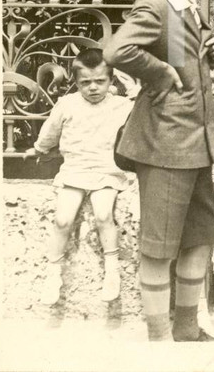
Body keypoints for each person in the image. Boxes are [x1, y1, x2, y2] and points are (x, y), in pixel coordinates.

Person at [104, 0, 214, 342]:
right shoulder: (156, 1)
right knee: (159, 248)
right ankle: (159, 341)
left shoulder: (185, 1)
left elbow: (205, 64)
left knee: (199, 239)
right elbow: (117, 49)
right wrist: (159, 73)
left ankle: (187, 330)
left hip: (196, 144)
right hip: (163, 143)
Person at [27, 48, 133, 305]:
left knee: (104, 215)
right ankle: (53, 273)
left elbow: (145, 104)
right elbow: (50, 132)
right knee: (62, 220)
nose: (93, 88)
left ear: (111, 80)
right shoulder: (68, 104)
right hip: (74, 171)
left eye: (100, 81)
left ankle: (111, 269)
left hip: (107, 172)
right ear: (76, 82)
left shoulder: (121, 105)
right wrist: (40, 149)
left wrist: (128, 82)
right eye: (85, 82)